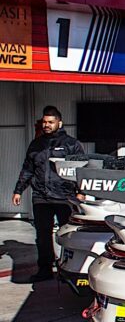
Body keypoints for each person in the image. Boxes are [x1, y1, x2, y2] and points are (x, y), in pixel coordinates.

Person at [13, 106, 85, 281]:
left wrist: (81, 192)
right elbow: (27, 169)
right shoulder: (36, 144)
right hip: (41, 197)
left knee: (68, 235)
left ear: (59, 123)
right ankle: (45, 269)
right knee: (42, 235)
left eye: (50, 122)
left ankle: (69, 269)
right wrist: (18, 191)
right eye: (45, 122)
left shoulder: (71, 144)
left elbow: (82, 169)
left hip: (64, 197)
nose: (47, 125)